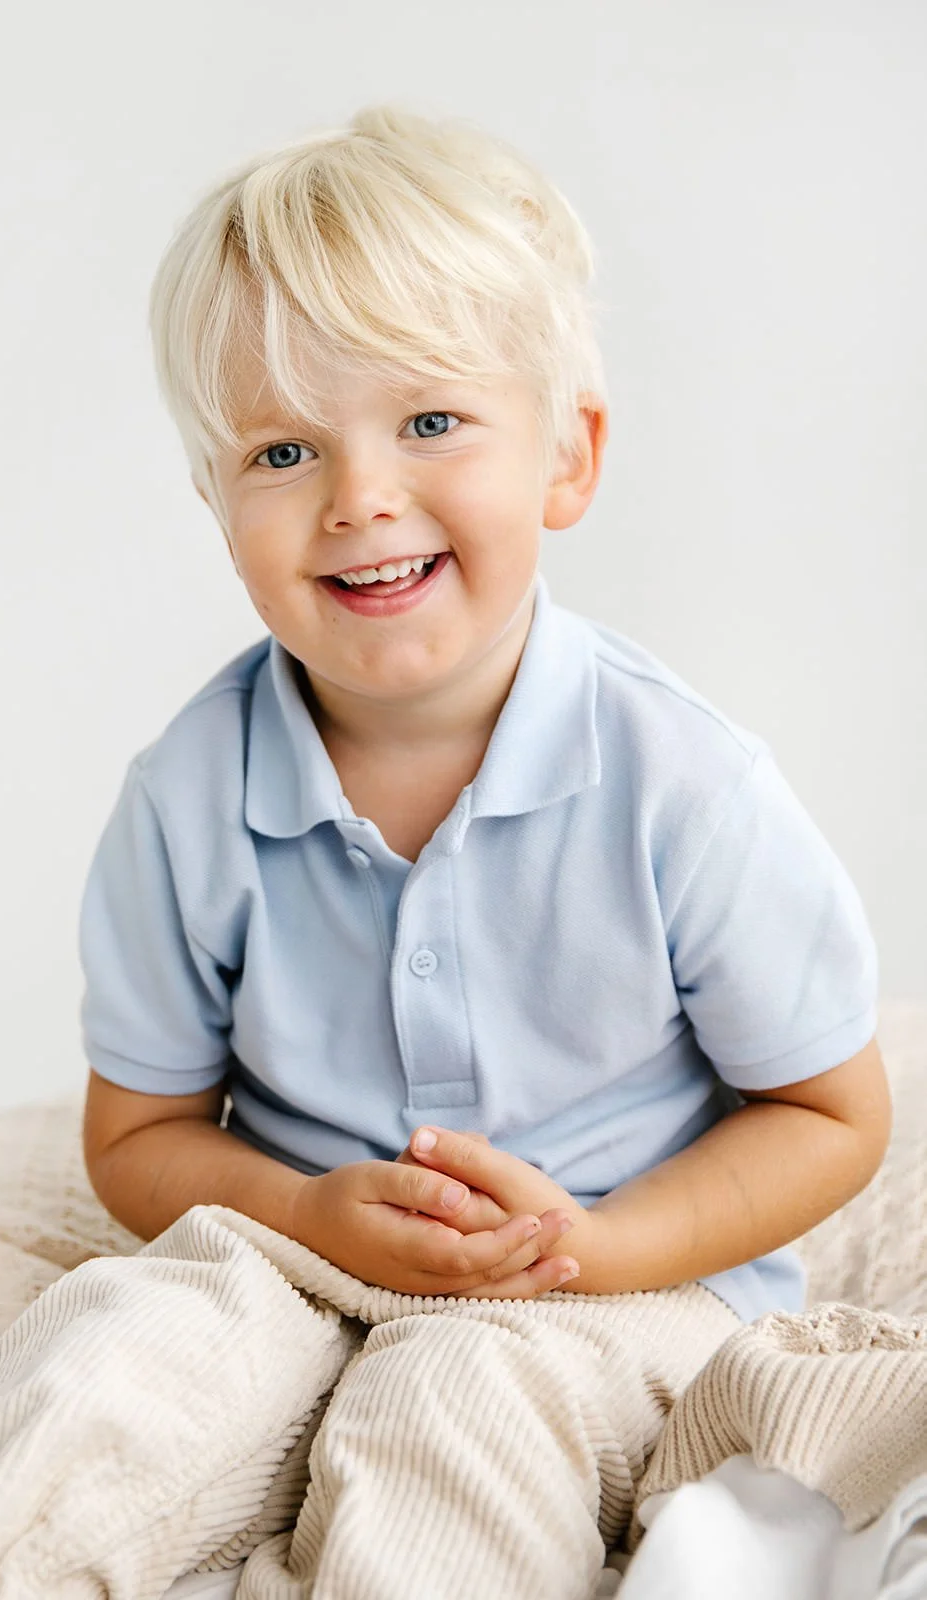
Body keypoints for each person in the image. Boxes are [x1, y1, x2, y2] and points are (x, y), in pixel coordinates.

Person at [77, 103, 889, 1597]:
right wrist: (301, 1212)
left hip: (614, 1286)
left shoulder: (683, 784)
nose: (360, 495)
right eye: (280, 446)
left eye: (431, 421)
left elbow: (830, 1114)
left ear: (565, 458)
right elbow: (136, 1139)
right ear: (215, 502)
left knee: (455, 1399)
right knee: (102, 1365)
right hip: (304, 1262)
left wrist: (595, 1243)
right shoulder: (187, 799)